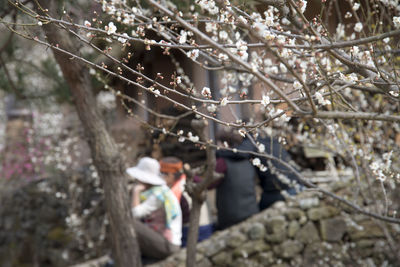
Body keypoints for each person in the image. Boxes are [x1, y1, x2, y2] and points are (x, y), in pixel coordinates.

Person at [126, 157, 182, 261]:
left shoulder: (158, 195)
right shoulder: (158, 191)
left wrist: (136, 191)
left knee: (127, 222)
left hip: (168, 245)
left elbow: (135, 214)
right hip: (162, 241)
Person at [237, 134, 302, 210]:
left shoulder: (251, 142)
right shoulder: (272, 139)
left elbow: (240, 153)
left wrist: (220, 151)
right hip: (297, 184)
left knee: (259, 211)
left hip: (277, 191)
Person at [159, 156, 213, 246]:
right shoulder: (189, 179)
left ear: (171, 175)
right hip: (207, 226)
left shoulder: (179, 190)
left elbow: (181, 217)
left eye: (162, 174)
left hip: (194, 231)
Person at [214, 129, 259, 230]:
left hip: (231, 215)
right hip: (251, 209)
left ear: (224, 143)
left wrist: (193, 178)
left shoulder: (222, 162)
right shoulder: (248, 159)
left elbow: (209, 183)